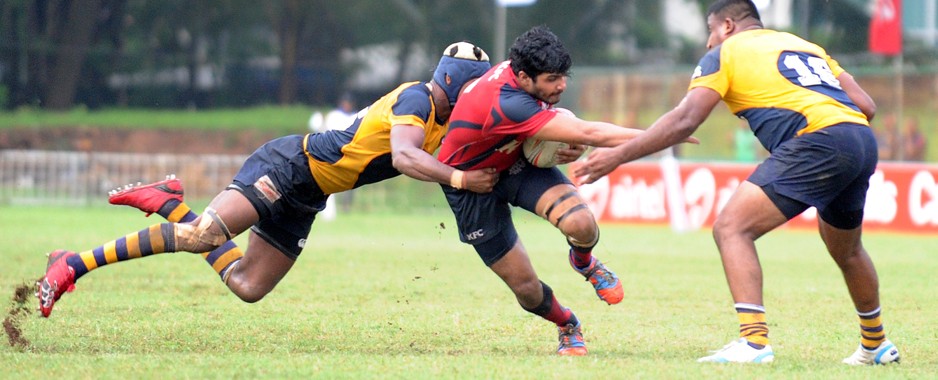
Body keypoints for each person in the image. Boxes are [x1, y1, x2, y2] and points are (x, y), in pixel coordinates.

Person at [37, 42, 498, 318]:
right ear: (460, 83)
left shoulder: (443, 115)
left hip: (309, 194)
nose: (480, 99)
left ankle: (170, 203)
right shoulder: (418, 101)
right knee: (203, 237)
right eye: (478, 89)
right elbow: (403, 156)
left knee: (248, 287)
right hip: (288, 165)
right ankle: (72, 264)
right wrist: (460, 179)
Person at [575, 0, 900, 365]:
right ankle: (876, 344)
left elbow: (686, 119)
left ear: (727, 25)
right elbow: (866, 106)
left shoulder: (726, 52)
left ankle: (754, 342)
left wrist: (618, 155)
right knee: (848, 249)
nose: (708, 44)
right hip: (859, 139)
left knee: (732, 228)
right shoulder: (804, 46)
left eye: (709, 32)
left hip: (818, 140)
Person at [437, 26, 689, 356]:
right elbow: (590, 131)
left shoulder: (520, 75)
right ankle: (567, 324)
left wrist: (569, 146)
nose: (562, 85)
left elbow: (568, 132)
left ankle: (584, 262)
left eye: (564, 76)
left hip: (513, 163)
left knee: (581, 224)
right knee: (527, 291)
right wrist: (662, 135)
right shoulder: (507, 103)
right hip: (469, 185)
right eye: (553, 79)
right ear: (525, 77)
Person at [313, 93, 359, 220]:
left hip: (350, 153)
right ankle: (327, 211)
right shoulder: (334, 116)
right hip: (334, 152)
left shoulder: (356, 116)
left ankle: (346, 207)